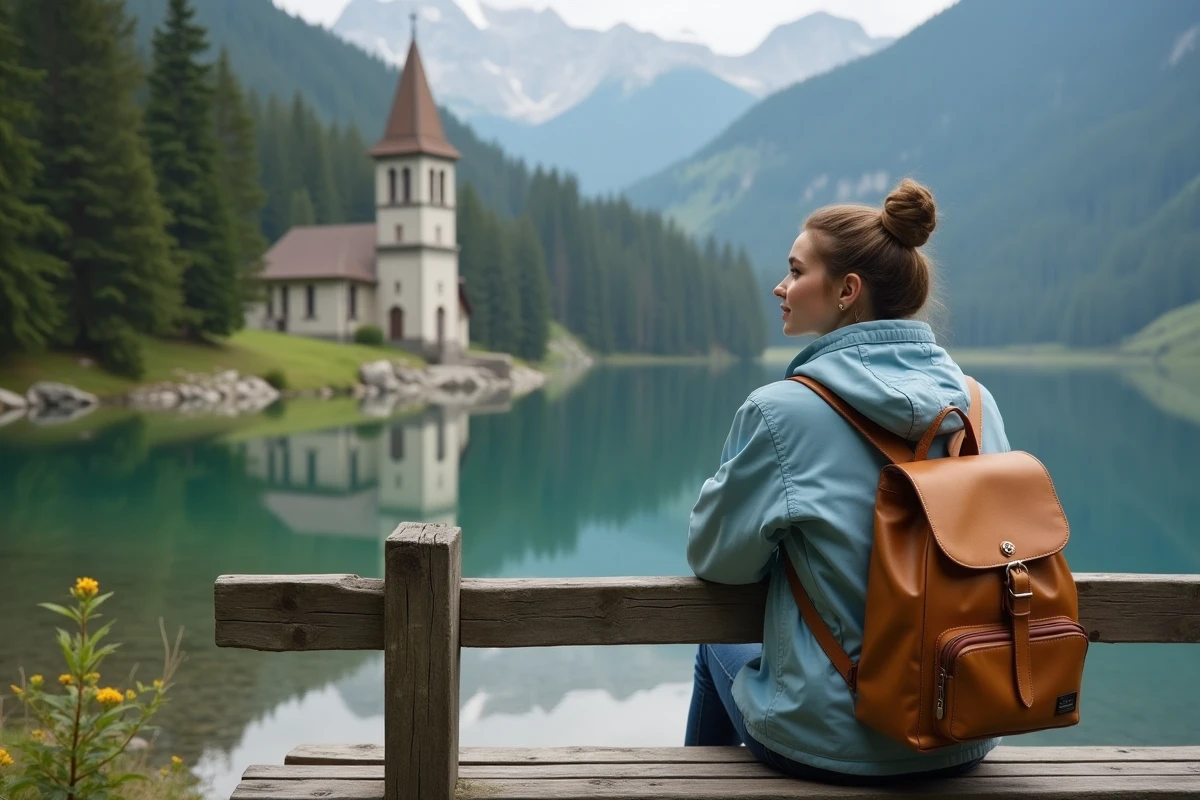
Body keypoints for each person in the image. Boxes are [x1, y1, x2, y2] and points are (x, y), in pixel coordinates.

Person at [685, 178, 1009, 784]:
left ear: (847, 291)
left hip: (829, 744)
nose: (780, 287)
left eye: (795, 270)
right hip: (966, 727)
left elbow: (716, 559)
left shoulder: (779, 412)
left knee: (714, 648)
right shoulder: (977, 403)